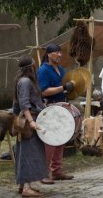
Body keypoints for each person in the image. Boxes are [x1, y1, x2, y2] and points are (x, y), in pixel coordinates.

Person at [37, 44, 74, 183]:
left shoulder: (61, 69)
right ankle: (43, 174)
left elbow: (63, 89)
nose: (60, 55)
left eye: (60, 52)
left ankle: (56, 171)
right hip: (49, 108)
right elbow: (44, 91)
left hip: (61, 107)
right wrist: (63, 87)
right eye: (56, 52)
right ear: (48, 54)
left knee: (61, 140)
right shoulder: (43, 70)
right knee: (50, 142)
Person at [13, 55, 48, 197]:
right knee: (28, 153)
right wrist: (32, 122)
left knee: (25, 153)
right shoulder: (26, 81)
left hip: (32, 118)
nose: (35, 65)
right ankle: (26, 188)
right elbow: (24, 104)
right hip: (29, 121)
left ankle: (23, 185)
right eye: (34, 64)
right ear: (30, 67)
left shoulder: (25, 81)